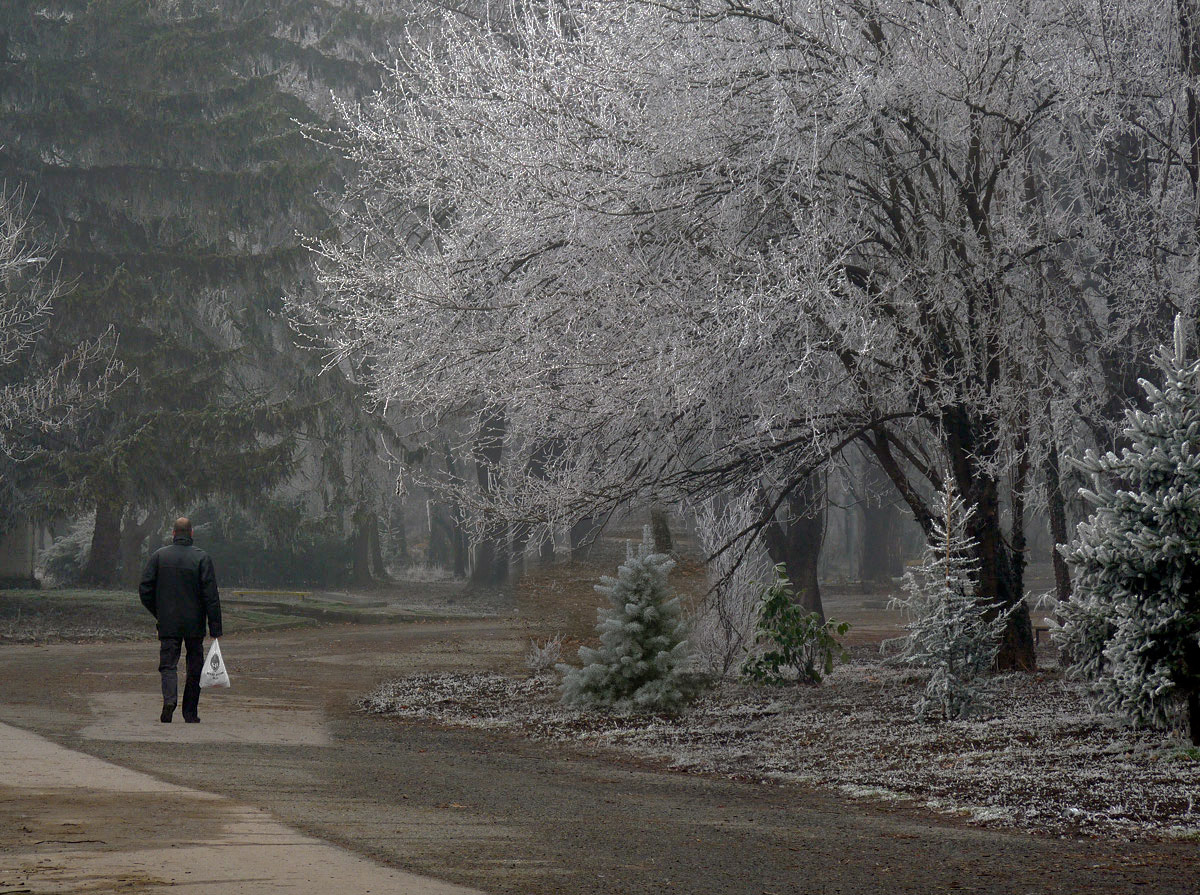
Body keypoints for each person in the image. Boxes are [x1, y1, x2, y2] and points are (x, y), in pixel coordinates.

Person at [138, 517, 222, 723]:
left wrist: (159, 611)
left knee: (168, 664)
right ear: (191, 534)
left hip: (168, 622)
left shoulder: (159, 556)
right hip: (194, 623)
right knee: (195, 666)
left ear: (173, 534)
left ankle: (169, 700)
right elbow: (211, 595)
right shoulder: (202, 558)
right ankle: (190, 712)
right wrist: (215, 627)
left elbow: (145, 588)